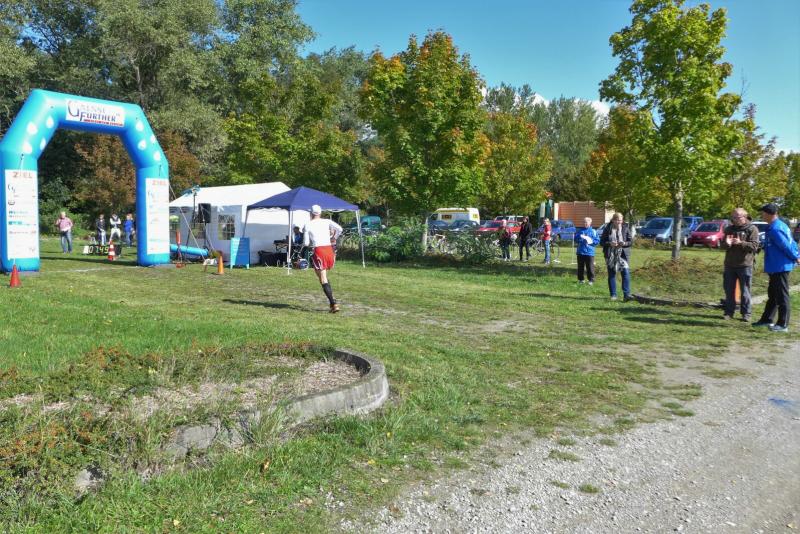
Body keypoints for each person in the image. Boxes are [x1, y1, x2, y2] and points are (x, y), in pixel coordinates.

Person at [752, 203, 800, 332]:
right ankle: (766, 319)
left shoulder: (775, 229)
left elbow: (786, 245)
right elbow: (791, 242)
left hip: (780, 266)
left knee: (782, 295)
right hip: (775, 265)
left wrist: (796, 256)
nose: (761, 215)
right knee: (773, 294)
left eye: (763, 213)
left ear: (769, 214)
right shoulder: (777, 225)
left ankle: (783, 324)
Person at [720, 208, 760, 321]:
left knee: (745, 291)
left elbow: (754, 246)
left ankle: (746, 314)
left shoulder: (752, 229)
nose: (735, 220)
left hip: (745, 265)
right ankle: (729, 312)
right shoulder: (729, 229)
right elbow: (722, 246)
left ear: (744, 217)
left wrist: (741, 243)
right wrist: (727, 244)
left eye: (737, 217)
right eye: (733, 217)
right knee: (729, 290)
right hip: (730, 265)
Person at [303, 204, 343, 313]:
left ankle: (333, 303)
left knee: (323, 278)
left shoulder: (308, 224)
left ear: (311, 213)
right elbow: (340, 229)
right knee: (321, 277)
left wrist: (308, 243)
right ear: (320, 213)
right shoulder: (327, 221)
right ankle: (332, 301)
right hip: (329, 249)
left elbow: (306, 243)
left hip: (319, 250)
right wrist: (333, 238)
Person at [600, 212, 633, 301]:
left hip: (623, 254)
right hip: (610, 254)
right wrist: (610, 243)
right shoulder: (607, 228)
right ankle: (613, 295)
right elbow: (602, 242)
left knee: (625, 273)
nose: (619, 222)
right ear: (613, 220)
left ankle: (626, 295)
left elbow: (631, 242)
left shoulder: (625, 228)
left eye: (621, 220)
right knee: (612, 274)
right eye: (617, 220)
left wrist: (624, 243)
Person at [574, 217, 600, 285]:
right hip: (580, 251)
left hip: (589, 252)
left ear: (590, 223)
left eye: (586, 222)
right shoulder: (580, 231)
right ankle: (581, 280)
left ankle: (591, 280)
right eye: (584, 222)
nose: (585, 223)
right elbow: (575, 239)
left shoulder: (593, 231)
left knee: (590, 267)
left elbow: (597, 241)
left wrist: (591, 241)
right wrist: (580, 238)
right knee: (580, 267)